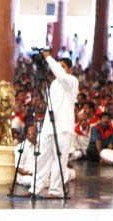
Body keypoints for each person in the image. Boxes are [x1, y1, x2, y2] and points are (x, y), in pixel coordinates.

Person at [25, 50, 78, 198]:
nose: (59, 69)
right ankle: (34, 188)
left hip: (64, 126)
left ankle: (56, 191)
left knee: (59, 159)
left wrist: (48, 56)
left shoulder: (72, 81)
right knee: (41, 156)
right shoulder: (54, 83)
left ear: (69, 69)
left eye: (63, 66)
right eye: (58, 66)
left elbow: (61, 75)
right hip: (49, 125)